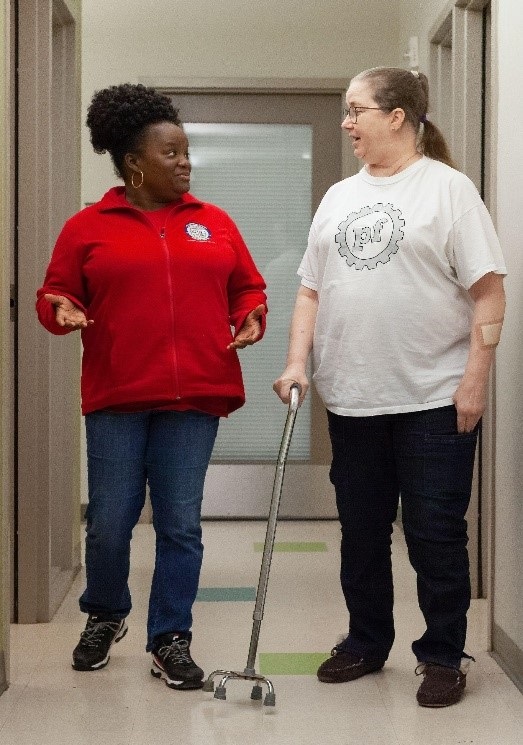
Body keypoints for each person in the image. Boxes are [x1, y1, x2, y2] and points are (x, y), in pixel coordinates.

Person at [273, 67, 506, 708]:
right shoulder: (339, 196)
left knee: (434, 531)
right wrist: (297, 362)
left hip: (434, 394)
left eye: (356, 110)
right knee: (363, 530)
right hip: (352, 396)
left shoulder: (448, 191)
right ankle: (366, 642)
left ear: (397, 116)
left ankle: (441, 656)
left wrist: (474, 384)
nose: (347, 122)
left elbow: (489, 293)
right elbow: (311, 289)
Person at [36, 83, 267, 691]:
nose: (185, 162)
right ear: (134, 163)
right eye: (172, 153)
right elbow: (55, 292)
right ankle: (105, 613)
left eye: (186, 151)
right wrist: (59, 308)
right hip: (118, 395)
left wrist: (251, 314)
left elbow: (247, 286)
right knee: (110, 520)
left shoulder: (213, 222)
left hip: (196, 396)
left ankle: (170, 637)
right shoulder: (88, 227)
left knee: (180, 523)